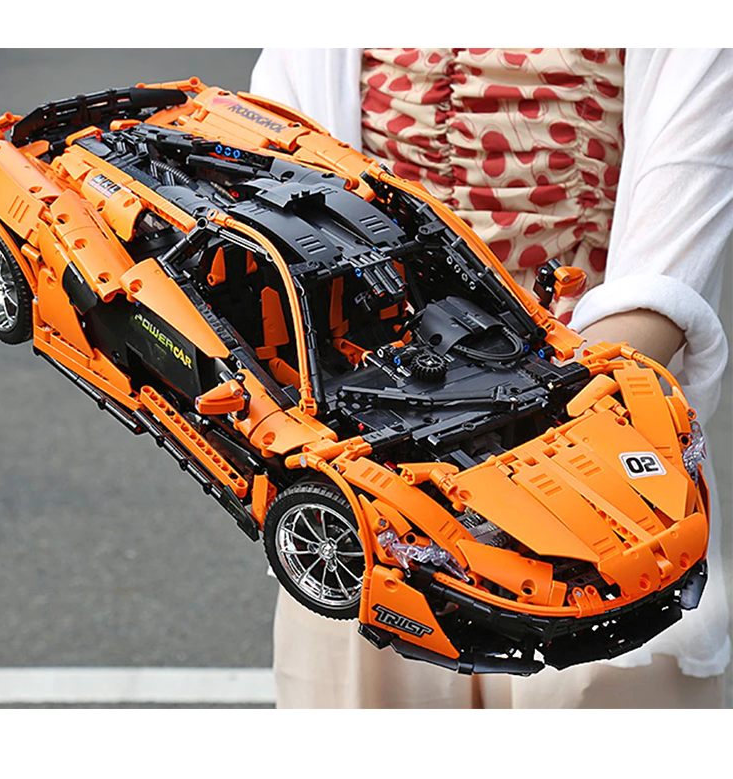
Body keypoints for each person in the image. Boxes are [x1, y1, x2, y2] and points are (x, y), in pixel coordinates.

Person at [250, 48, 732, 708]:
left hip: (584, 434)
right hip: (366, 438)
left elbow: (677, 226)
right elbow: (268, 158)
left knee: (593, 681)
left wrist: (558, 429)